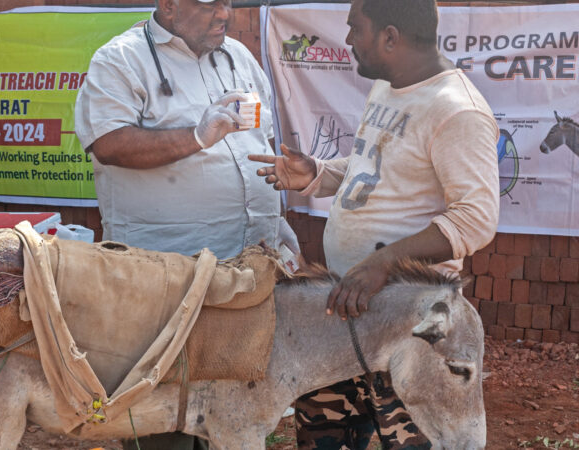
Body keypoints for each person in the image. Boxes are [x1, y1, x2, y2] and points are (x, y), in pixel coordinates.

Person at [249, 0, 500, 448]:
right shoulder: (389, 87)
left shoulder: (458, 111)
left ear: (390, 36)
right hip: (345, 309)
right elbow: (376, 167)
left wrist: (383, 263)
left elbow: (476, 218)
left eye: (355, 29)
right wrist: (319, 174)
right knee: (327, 440)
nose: (348, 40)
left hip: (408, 324)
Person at [74, 0, 298, 448]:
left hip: (244, 274)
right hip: (165, 278)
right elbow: (109, 143)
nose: (223, 13)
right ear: (170, 6)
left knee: (233, 409)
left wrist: (281, 227)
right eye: (208, 4)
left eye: (228, 3)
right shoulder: (121, 59)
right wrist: (196, 136)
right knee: (163, 413)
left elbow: (260, 142)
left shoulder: (239, 56)